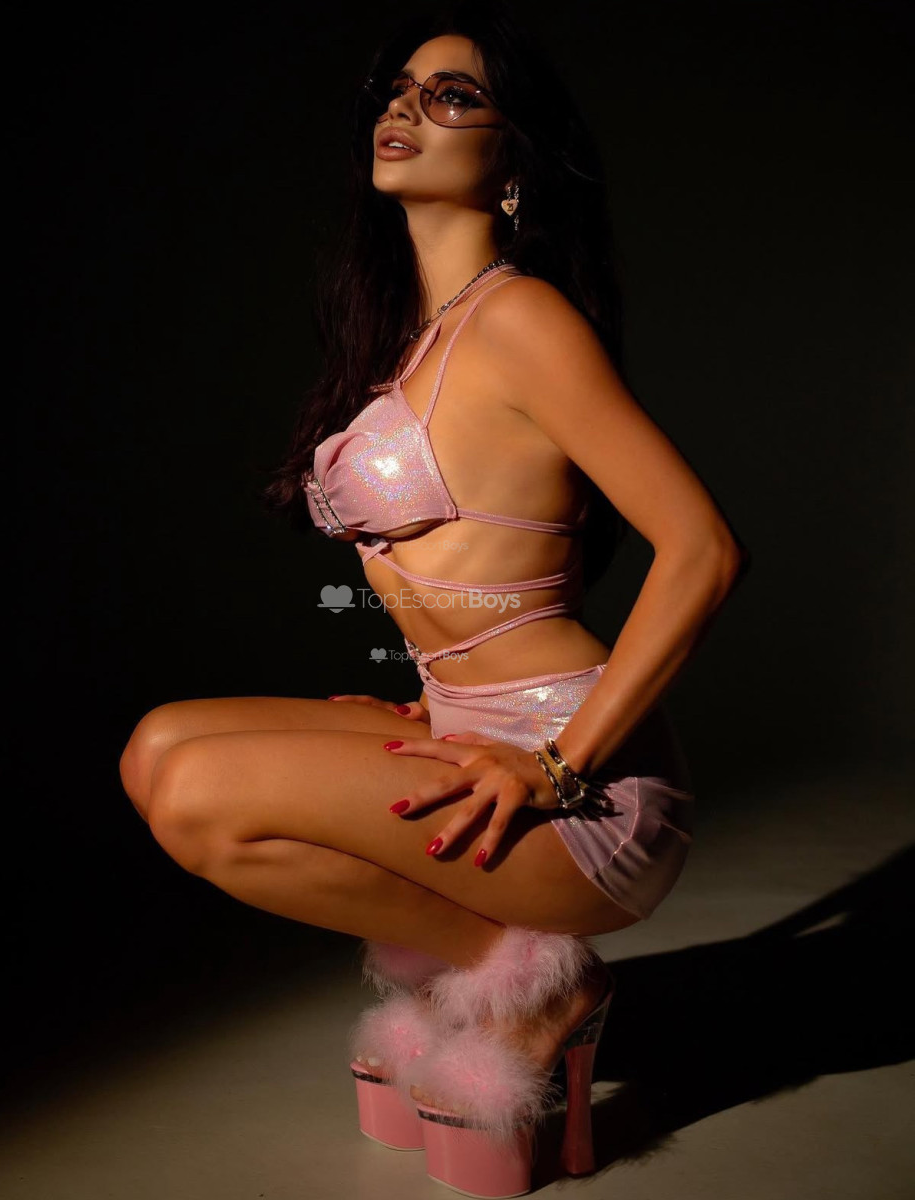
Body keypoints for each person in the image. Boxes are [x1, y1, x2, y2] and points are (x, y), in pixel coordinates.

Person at [119, 4, 748, 1194]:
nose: (408, 107)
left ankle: (542, 988)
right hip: (467, 728)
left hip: (583, 788)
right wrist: (440, 693)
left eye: (454, 94)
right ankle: (495, 968)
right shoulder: (413, 336)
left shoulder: (521, 318)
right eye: (399, 89)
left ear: (514, 161)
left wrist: (557, 763)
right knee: (158, 747)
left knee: (202, 800)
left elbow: (705, 549)